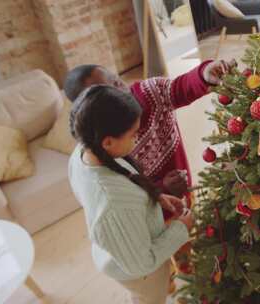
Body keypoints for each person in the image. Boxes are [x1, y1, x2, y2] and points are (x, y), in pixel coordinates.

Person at [68, 85, 193, 304]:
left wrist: (155, 198)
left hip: (125, 250)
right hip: (141, 273)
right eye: (134, 135)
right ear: (107, 142)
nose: (136, 140)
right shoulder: (113, 204)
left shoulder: (83, 152)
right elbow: (142, 264)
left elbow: (127, 185)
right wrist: (181, 227)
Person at [63, 59, 234, 216]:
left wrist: (203, 75)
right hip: (152, 214)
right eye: (108, 90)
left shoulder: (149, 93)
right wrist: (161, 188)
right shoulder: (104, 147)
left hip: (183, 193)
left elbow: (180, 88)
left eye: (114, 79)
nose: (119, 87)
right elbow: (127, 194)